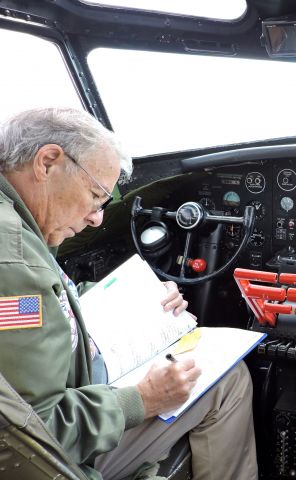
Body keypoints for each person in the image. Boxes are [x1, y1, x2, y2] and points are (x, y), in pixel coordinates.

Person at [0, 107, 258, 480]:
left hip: (79, 382)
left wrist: (142, 300)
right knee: (226, 382)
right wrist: (143, 399)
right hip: (54, 459)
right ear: (48, 162)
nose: (97, 218)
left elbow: (47, 305)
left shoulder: (18, 226)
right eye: (94, 195)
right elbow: (33, 436)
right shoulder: (17, 263)